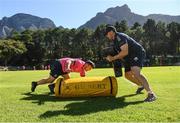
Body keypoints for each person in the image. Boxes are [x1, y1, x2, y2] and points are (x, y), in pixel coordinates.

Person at [104, 25, 156, 102]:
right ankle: (141, 85)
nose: (106, 36)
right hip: (129, 57)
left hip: (137, 53)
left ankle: (151, 94)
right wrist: (112, 58)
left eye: (107, 34)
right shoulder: (115, 41)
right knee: (127, 75)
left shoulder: (119, 37)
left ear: (111, 32)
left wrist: (113, 58)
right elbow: (121, 54)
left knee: (135, 72)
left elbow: (125, 51)